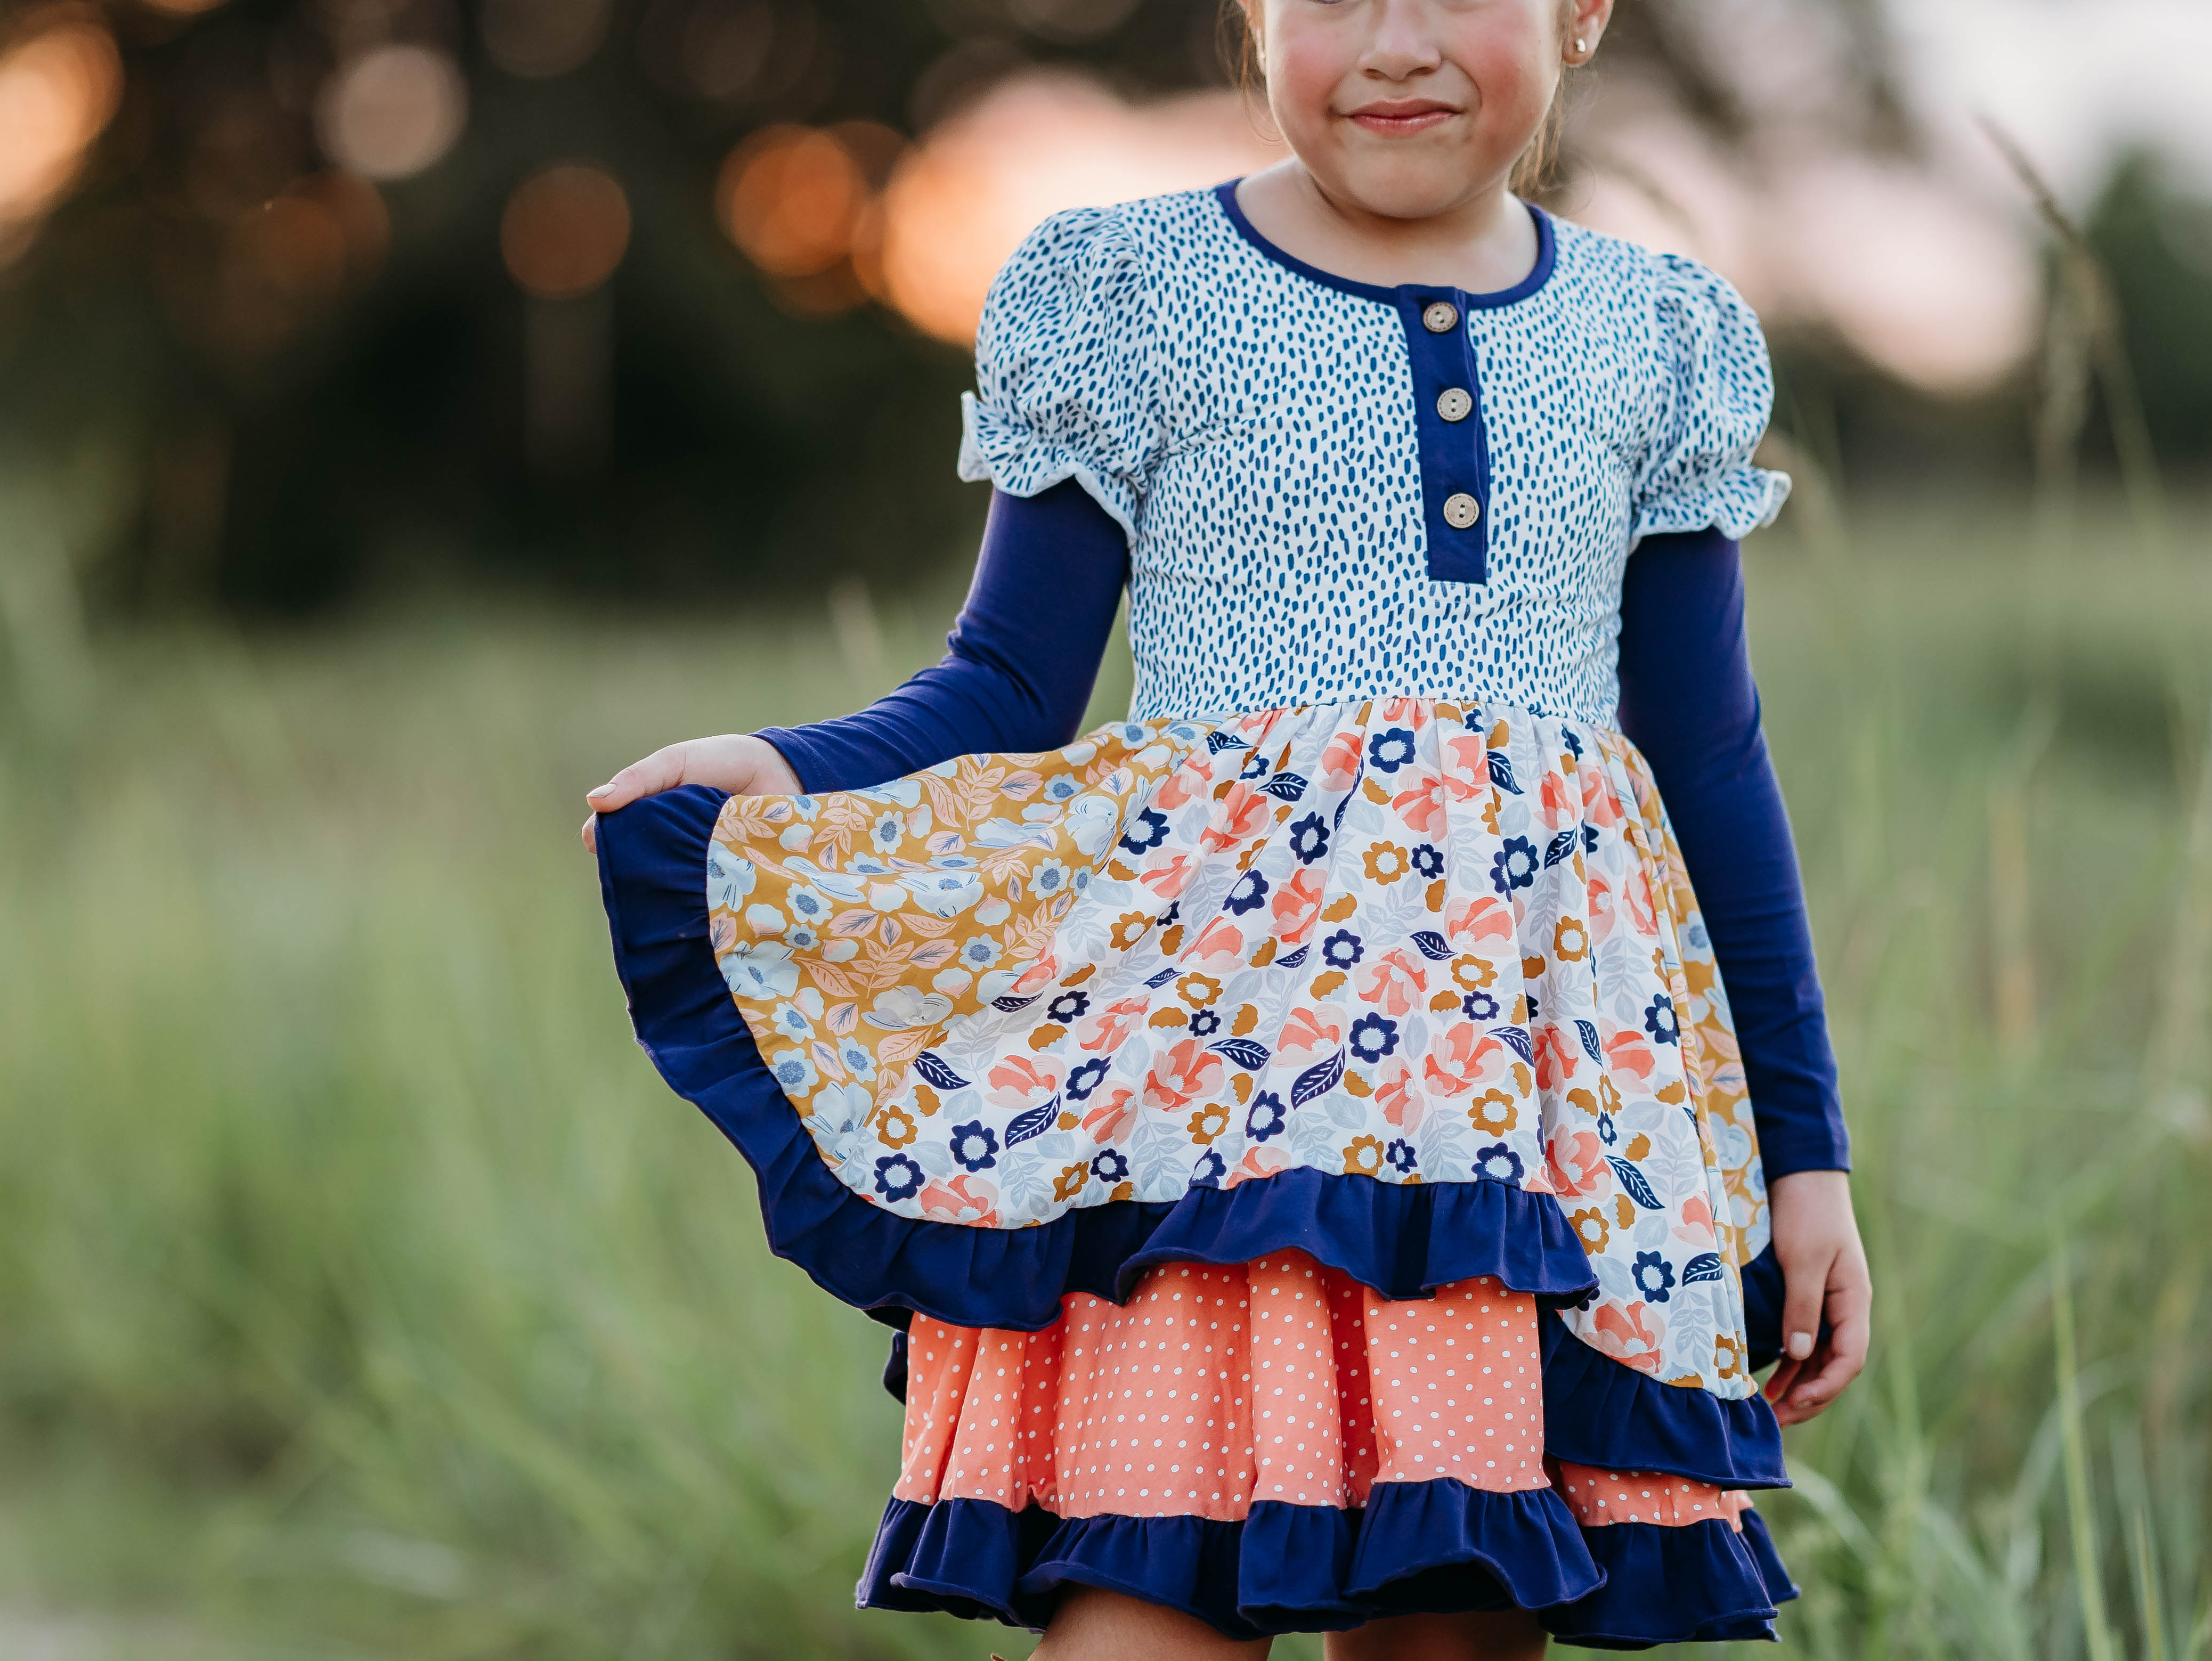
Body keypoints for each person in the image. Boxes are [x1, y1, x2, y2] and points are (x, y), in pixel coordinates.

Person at [584, 1, 1870, 1654]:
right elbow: (1001, 687)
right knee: (1141, 1610)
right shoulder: (1133, 295)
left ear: (1581, 12)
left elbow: (1714, 762)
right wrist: (786, 768)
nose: (1394, 42)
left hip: (1510, 1146)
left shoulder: (1657, 331)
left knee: (1452, 1617)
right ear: (1255, 14)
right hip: (1196, 1113)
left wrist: (1804, 1153)